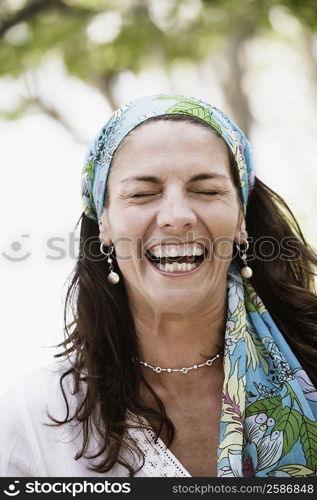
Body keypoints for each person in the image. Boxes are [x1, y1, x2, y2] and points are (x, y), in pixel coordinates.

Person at [1, 94, 317, 478]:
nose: (177, 216)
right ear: (105, 224)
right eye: (142, 194)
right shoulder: (36, 415)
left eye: (206, 190)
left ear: (240, 218)